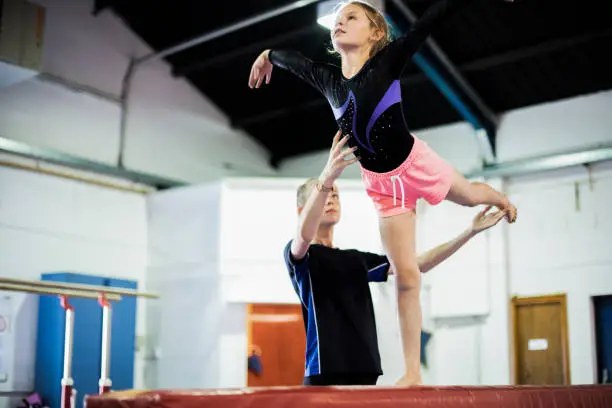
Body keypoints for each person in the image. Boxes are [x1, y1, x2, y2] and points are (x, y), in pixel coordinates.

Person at [250, 0, 517, 385]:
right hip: (382, 187)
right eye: (336, 20)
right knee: (407, 275)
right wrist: (267, 55)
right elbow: (296, 62)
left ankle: (501, 198)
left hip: (416, 164)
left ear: (375, 32)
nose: (339, 23)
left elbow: (428, 21)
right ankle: (412, 372)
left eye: (351, 17)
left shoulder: (387, 61)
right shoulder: (330, 81)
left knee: (473, 195)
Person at [284, 130, 508, 386]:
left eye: (335, 194)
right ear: (302, 209)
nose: (331, 198)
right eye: (323, 195)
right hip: (324, 372)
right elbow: (304, 234)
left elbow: (416, 265)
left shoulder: (355, 260)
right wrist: (328, 175)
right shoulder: (302, 256)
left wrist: (469, 232)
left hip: (364, 371)